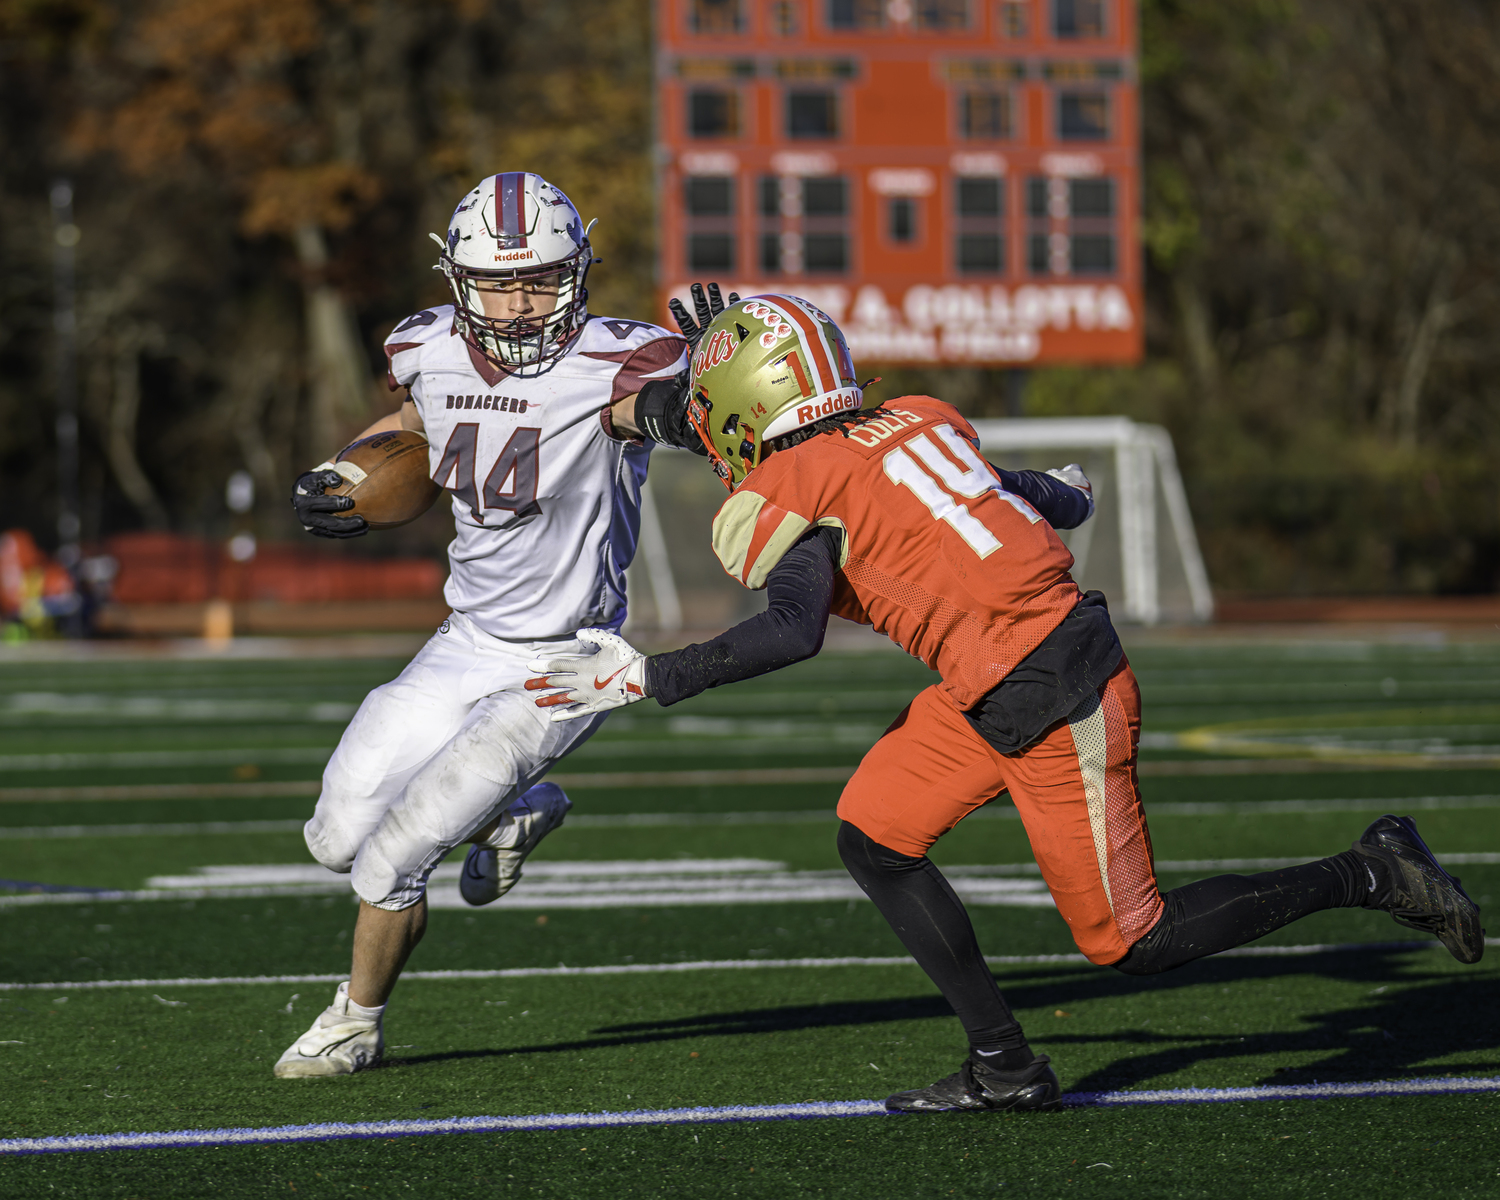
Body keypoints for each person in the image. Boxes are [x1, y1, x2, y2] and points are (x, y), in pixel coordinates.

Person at [525, 291, 1485, 1113]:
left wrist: (653, 674)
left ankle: (1372, 868)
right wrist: (1064, 501)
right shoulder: (915, 418)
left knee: (1131, 940)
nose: (705, 421)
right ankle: (1004, 1065)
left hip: (1051, 687)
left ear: (749, 406)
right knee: (874, 832)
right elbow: (1010, 487)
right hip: (991, 676)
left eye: (713, 405)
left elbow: (792, 629)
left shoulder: (801, 479)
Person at [274, 174, 728, 1078]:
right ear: (458, 282)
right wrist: (347, 467)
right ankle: (521, 812)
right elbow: (414, 420)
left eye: (539, 281)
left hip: (569, 658)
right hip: (463, 642)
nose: (520, 305)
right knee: (332, 840)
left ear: (578, 274)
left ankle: (354, 1021)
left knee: (392, 860)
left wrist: (713, 379)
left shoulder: (621, 362)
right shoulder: (425, 345)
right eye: (498, 283)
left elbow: (663, 411)